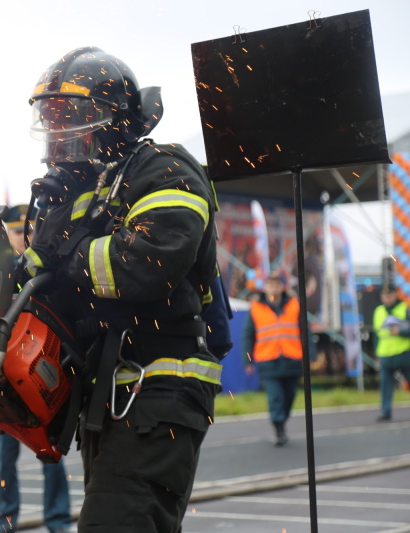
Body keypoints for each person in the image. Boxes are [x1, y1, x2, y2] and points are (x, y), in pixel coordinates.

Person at [19, 47, 223, 532]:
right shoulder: (84, 192)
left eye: (71, 117)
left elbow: (147, 263)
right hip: (111, 395)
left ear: (113, 119)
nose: (59, 132)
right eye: (51, 118)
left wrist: (67, 257)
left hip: (160, 389)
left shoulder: (165, 169)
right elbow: (33, 284)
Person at [0, 204, 71, 533]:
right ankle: (5, 521)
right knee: (4, 460)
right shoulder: (2, 274)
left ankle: (57, 521)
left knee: (50, 454)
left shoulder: (37, 272)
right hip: (6, 379)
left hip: (38, 373)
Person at [240, 271, 311, 446]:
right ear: (265, 287)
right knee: (275, 397)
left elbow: (305, 331)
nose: (274, 287)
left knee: (289, 396)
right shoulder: (256, 308)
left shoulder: (294, 305)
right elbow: (248, 336)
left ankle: (282, 419)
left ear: (282, 287)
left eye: (277, 284)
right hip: (268, 360)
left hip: (291, 358)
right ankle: (278, 427)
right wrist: (247, 360)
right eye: (270, 284)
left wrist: (311, 355)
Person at [372, 283, 410, 422]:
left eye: (389, 295)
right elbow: (376, 335)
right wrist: (376, 354)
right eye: (384, 295)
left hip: (404, 353)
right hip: (385, 354)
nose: (386, 298)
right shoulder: (378, 311)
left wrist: (401, 332)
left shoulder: (405, 308)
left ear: (395, 295)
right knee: (385, 386)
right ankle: (385, 411)